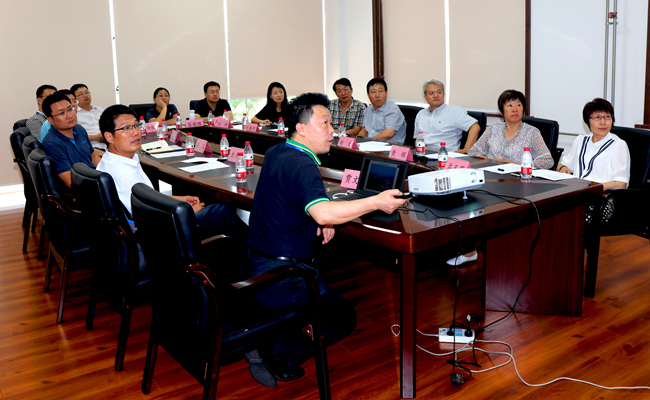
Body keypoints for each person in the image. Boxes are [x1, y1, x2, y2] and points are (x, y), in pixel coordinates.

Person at [246, 92, 407, 388]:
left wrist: (322, 218)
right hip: (284, 276)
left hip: (256, 261)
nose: (333, 130)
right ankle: (276, 354)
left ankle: (267, 335)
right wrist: (376, 202)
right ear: (302, 128)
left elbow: (291, 201)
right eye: (325, 123)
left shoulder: (278, 151)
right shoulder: (303, 165)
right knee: (342, 319)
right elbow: (321, 212)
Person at [97, 105, 248, 240]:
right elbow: (147, 215)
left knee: (210, 206)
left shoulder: (110, 161)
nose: (135, 132)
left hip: (153, 224)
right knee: (221, 212)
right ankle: (257, 254)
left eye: (136, 125)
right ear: (109, 136)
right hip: (160, 233)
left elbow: (148, 197)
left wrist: (180, 199)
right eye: (126, 128)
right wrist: (187, 211)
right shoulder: (124, 174)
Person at [468, 89, 553, 169]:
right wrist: (492, 161)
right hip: (491, 173)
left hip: (517, 176)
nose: (515, 109)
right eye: (510, 105)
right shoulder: (492, 129)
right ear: (502, 111)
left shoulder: (531, 132)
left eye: (518, 105)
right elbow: (473, 152)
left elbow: (547, 161)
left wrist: (516, 165)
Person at [557, 98, 630, 190]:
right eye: (597, 118)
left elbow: (621, 184)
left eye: (607, 117)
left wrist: (592, 188)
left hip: (600, 195)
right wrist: (563, 168)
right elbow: (562, 165)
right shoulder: (580, 140)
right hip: (577, 191)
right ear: (587, 122)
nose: (603, 123)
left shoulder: (618, 145)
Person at [42, 92, 101, 188]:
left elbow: (92, 157)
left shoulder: (79, 129)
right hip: (84, 188)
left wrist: (110, 170)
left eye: (70, 109)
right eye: (62, 113)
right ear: (51, 120)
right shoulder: (52, 143)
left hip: (94, 177)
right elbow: (69, 181)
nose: (69, 116)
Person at [414, 79, 480, 153]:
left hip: (445, 154)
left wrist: (467, 149)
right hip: (424, 154)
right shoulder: (421, 114)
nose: (436, 95)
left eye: (439, 92)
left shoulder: (454, 111)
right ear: (425, 97)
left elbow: (475, 127)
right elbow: (418, 138)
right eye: (431, 93)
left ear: (444, 95)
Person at [357, 78, 406, 144]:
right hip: (371, 145)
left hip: (389, 147)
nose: (377, 95)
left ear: (386, 92)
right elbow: (365, 130)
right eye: (373, 92)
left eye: (380, 91)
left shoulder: (392, 109)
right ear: (368, 95)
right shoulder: (368, 110)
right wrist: (358, 141)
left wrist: (369, 142)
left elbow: (389, 133)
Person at [71, 83, 106, 149]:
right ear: (75, 99)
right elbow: (74, 136)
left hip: (109, 145)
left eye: (87, 92)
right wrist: (96, 138)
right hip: (90, 147)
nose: (85, 96)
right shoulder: (74, 115)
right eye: (81, 94)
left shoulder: (100, 110)